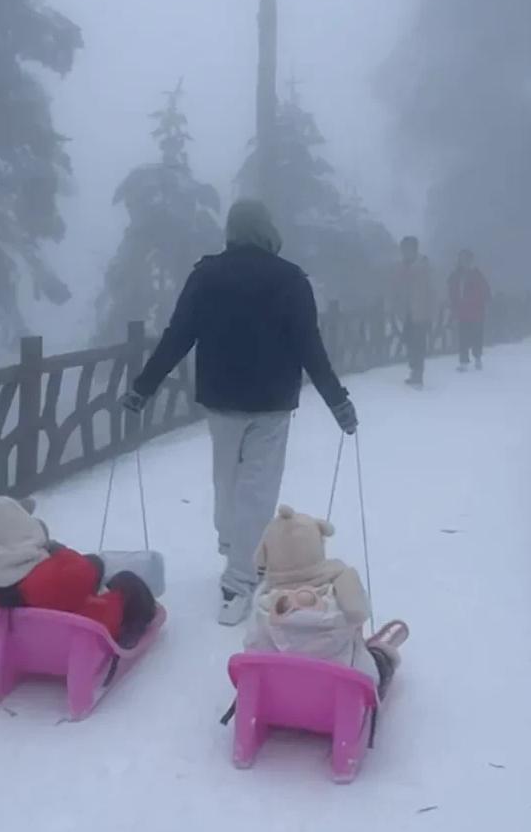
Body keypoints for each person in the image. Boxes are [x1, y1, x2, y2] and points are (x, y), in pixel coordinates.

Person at [121, 199, 357, 627]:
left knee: (226, 479)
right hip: (271, 402)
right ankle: (237, 581)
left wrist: (143, 388)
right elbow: (310, 347)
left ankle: (235, 548)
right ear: (267, 230)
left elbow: (178, 336)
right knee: (257, 489)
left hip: (221, 398)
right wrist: (338, 402)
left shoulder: (206, 275)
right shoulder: (290, 279)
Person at [246, 504, 409, 698]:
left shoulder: (265, 603)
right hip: (339, 692)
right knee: (370, 665)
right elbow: (359, 614)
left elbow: (252, 646)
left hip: (279, 692)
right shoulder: (340, 583)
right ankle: (382, 655)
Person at [0, 495, 158, 647]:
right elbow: (87, 574)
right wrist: (59, 551)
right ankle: (132, 629)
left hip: (22, 647)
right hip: (80, 637)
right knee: (126, 582)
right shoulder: (51, 572)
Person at [390, 235, 435, 389]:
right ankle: (414, 371)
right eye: (403, 249)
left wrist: (430, 311)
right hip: (407, 311)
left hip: (421, 311)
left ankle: (418, 374)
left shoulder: (423, 266)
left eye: (408, 249)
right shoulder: (401, 267)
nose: (405, 252)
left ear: (414, 249)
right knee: (409, 342)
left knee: (418, 343)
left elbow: (430, 291)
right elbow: (396, 287)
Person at [448, 248, 492, 370]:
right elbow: (452, 291)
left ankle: (477, 358)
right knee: (463, 337)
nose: (464, 262)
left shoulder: (477, 274)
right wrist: (454, 307)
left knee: (477, 336)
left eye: (466, 259)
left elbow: (486, 292)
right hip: (462, 312)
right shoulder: (456, 275)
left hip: (476, 312)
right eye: (461, 259)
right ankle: (464, 362)